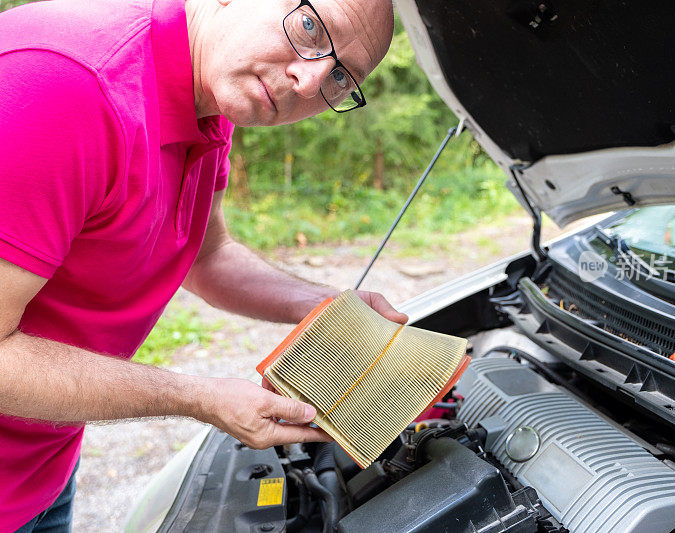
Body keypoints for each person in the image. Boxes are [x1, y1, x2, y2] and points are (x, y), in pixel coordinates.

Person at [0, 0, 398, 529]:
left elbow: (209, 258)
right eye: (310, 27)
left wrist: (326, 305)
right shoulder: (64, 85)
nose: (309, 81)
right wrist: (200, 398)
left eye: (342, 77)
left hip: (40, 467)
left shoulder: (207, 98)